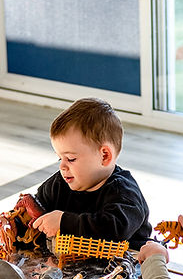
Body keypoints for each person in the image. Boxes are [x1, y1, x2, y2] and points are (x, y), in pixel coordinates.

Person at [29, 97, 152, 249]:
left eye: (71, 159)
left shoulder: (124, 192)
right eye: (59, 158)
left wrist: (64, 222)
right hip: (72, 264)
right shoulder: (59, 184)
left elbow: (114, 230)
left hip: (127, 264)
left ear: (104, 156)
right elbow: (36, 209)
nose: (62, 166)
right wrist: (15, 222)